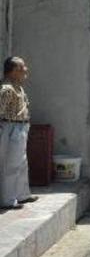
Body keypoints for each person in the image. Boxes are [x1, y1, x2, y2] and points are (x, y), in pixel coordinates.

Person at [0, 57, 38, 210]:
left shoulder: (18, 86)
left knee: (22, 163)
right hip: (10, 128)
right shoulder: (6, 89)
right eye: (22, 67)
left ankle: (22, 194)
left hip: (21, 127)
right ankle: (8, 200)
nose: (26, 70)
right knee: (11, 165)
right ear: (14, 71)